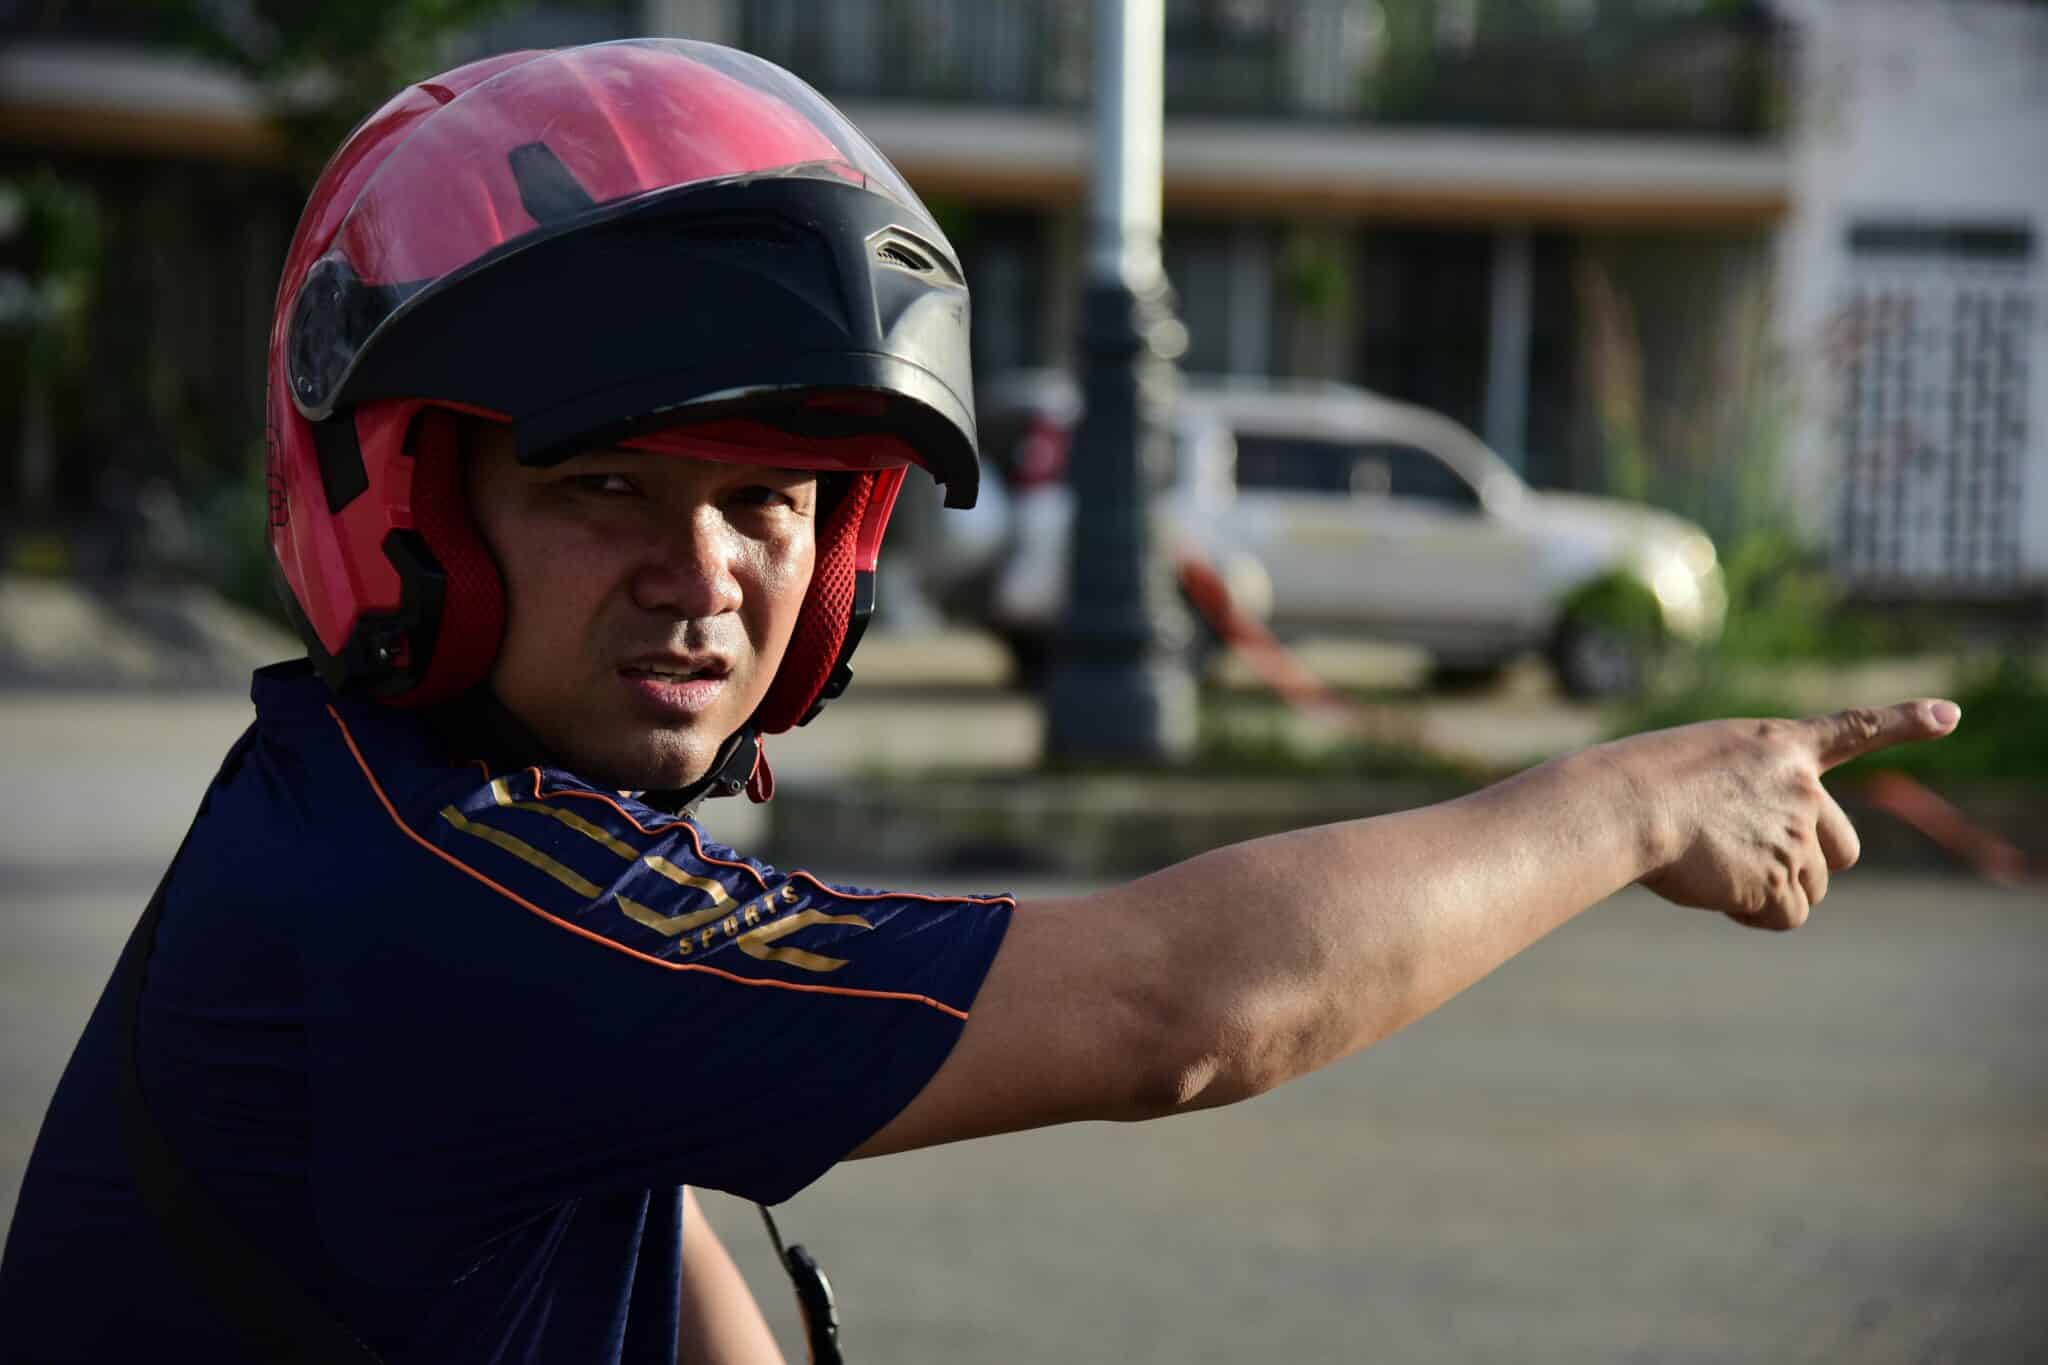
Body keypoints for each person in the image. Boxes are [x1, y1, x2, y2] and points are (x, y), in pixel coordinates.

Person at [0, 39, 1957, 1365]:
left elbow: (615, 1179)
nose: (704, 571)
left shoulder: (378, 796)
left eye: (770, 501)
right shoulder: (451, 892)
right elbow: (1180, 1007)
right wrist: (1632, 801)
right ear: (413, 511)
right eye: (605, 486)